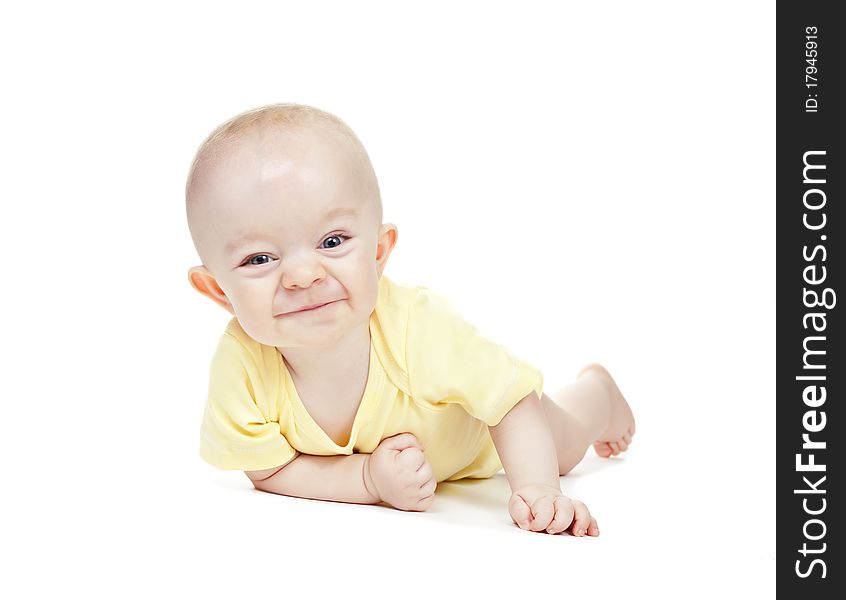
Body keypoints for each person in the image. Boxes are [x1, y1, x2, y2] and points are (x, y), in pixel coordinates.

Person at [185, 103, 635, 536]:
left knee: (565, 447)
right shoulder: (241, 368)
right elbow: (268, 468)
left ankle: (599, 394)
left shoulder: (414, 327)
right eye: (259, 258)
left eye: (332, 241)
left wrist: (538, 489)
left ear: (379, 253)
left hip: (489, 432)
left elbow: (510, 402)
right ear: (218, 290)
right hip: (430, 458)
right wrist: (366, 479)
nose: (303, 276)